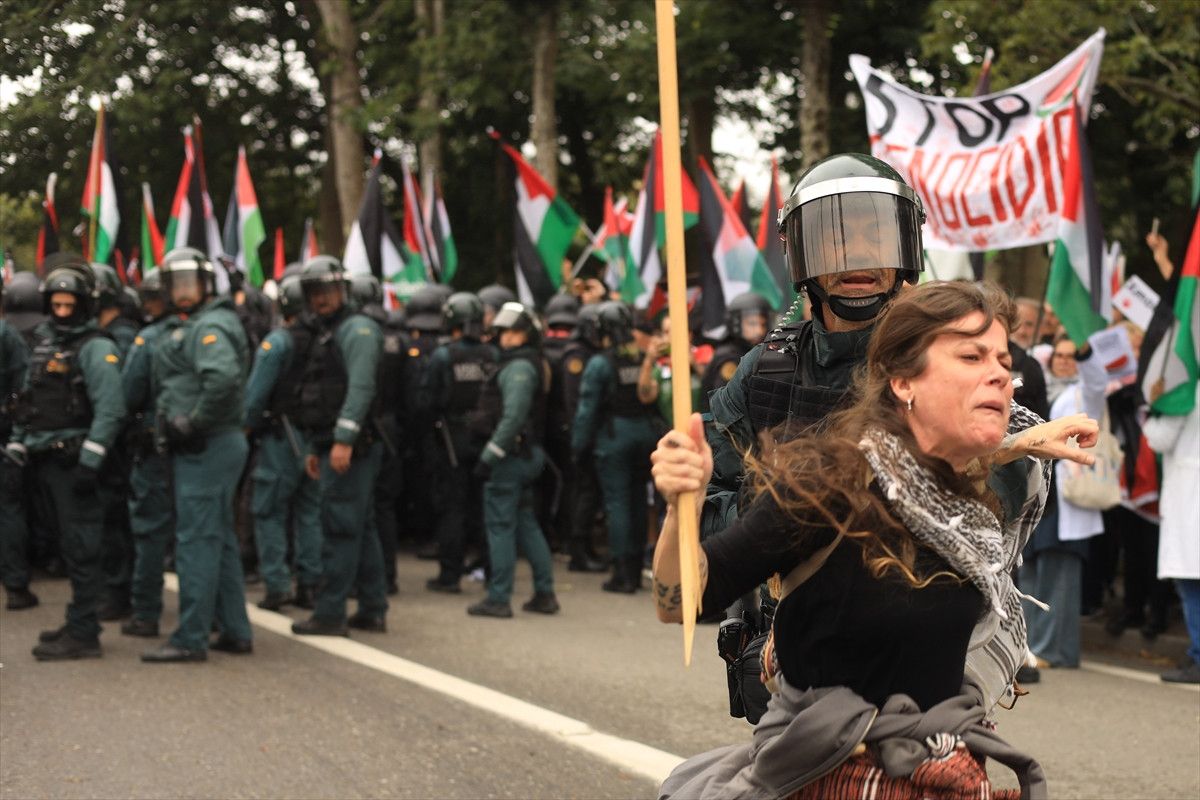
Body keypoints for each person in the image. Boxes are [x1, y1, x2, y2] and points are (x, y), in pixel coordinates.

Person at [650, 281, 1099, 798]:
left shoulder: (963, 499)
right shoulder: (831, 485)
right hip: (825, 775)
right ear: (903, 383)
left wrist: (1020, 442)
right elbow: (681, 601)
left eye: (1002, 357)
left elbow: (925, 467)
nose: (999, 372)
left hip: (942, 773)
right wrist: (678, 509)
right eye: (972, 355)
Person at [7, 257, 126, 660]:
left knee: (83, 547)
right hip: (43, 463)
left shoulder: (96, 348)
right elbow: (29, 403)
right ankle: (78, 620)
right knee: (65, 545)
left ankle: (84, 631)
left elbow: (111, 409)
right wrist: (19, 444)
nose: (61, 312)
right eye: (55, 305)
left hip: (74, 464)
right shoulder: (44, 346)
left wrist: (90, 461)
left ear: (83, 304)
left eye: (68, 305)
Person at [140, 247, 252, 663]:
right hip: (211, 443)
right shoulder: (200, 323)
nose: (183, 292)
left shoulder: (211, 326)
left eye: (190, 283)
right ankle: (235, 630)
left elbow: (221, 380)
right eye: (177, 284)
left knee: (196, 542)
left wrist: (195, 421)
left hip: (208, 444)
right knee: (217, 539)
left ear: (206, 284)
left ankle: (191, 638)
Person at [290, 255, 389, 637]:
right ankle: (372, 606)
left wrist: (343, 440)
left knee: (340, 527)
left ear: (344, 289)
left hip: (354, 446)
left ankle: (331, 613)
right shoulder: (329, 331)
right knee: (360, 527)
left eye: (329, 290)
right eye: (315, 292)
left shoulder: (357, 329)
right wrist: (318, 446)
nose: (322, 298)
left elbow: (361, 388)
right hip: (336, 443)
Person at [467, 301, 559, 618]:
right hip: (525, 454)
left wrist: (489, 456)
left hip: (510, 457)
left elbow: (513, 418)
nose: (505, 336)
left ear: (525, 335)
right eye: (504, 330)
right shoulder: (526, 363)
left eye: (512, 331)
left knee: (500, 525)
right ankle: (544, 593)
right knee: (525, 522)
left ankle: (498, 597)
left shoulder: (519, 367)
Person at [242, 270, 323, 611]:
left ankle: (277, 585)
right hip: (316, 438)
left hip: (281, 438)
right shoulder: (324, 340)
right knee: (309, 512)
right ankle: (310, 584)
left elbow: (254, 396)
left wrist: (243, 428)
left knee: (269, 511)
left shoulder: (277, 342)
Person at [572, 300, 664, 593]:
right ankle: (635, 571)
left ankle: (621, 574)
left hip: (615, 438)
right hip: (644, 436)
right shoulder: (642, 356)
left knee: (618, 504)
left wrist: (578, 447)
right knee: (638, 502)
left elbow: (587, 410)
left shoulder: (600, 362)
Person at [421, 291, 496, 593]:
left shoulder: (444, 356)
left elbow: (427, 401)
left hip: (451, 440)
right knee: (484, 508)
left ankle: (450, 575)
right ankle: (491, 572)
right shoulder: (493, 355)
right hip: (485, 439)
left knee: (453, 508)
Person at [118, 267, 179, 637]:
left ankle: (145, 612)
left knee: (151, 529)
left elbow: (128, 394)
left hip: (155, 447)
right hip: (194, 446)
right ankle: (215, 615)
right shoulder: (205, 330)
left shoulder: (150, 339)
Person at [91, 261, 138, 621]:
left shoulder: (117, 337)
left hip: (119, 444)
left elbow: (118, 396)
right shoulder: (108, 333)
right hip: (119, 441)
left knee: (114, 518)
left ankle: (118, 590)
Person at [0, 277, 34, 610]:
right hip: (4, 432)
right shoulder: (6, 334)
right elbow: (23, 387)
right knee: (9, 508)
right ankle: (15, 586)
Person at [699, 291, 771, 411]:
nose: (759, 330)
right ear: (736, 323)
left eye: (762, 324)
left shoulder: (755, 350)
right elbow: (726, 405)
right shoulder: (729, 358)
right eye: (752, 324)